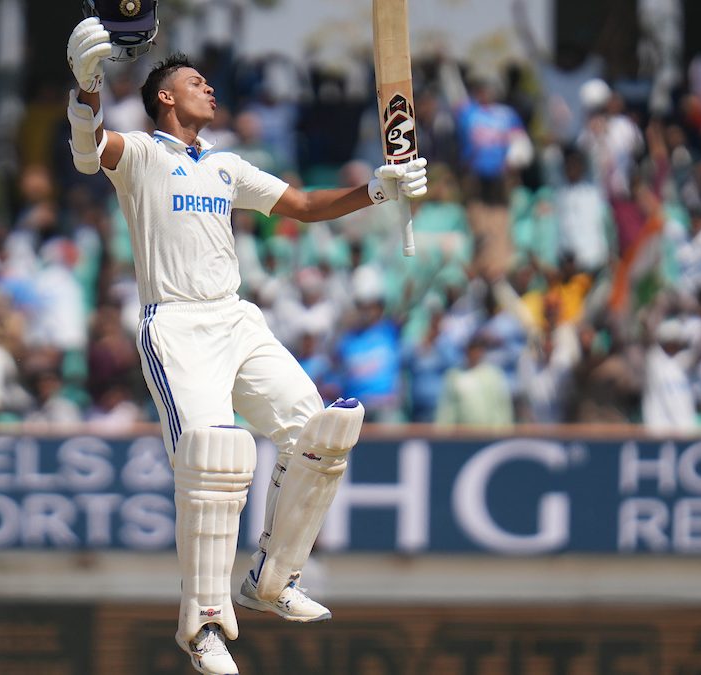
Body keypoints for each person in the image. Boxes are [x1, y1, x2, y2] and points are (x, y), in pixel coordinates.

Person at [66, 13, 428, 674]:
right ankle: (203, 624)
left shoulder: (226, 166)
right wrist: (86, 85)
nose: (209, 88)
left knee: (321, 431)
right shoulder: (143, 155)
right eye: (195, 82)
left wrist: (379, 189)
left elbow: (306, 206)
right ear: (165, 97)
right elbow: (90, 150)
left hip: (236, 319)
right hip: (176, 325)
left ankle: (272, 579)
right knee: (215, 459)